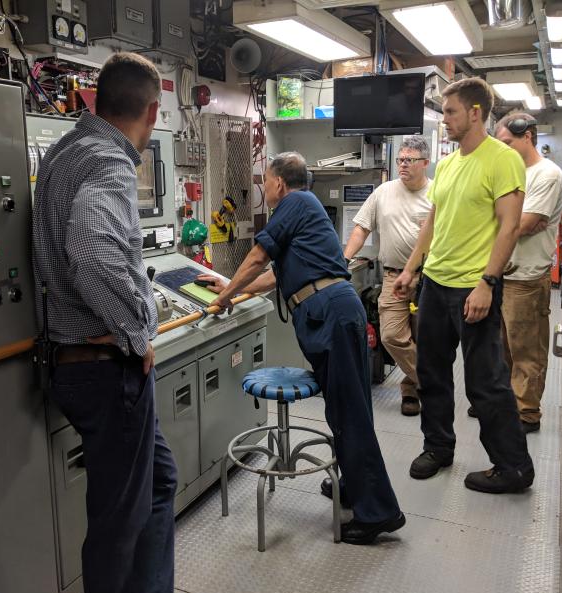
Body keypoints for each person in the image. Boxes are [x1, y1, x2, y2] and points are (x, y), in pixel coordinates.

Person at [201, 152, 405, 545]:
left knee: (350, 412)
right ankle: (355, 488)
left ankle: (378, 512)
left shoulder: (295, 202)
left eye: (266, 181)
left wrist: (226, 297)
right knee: (345, 407)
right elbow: (276, 275)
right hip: (332, 312)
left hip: (329, 313)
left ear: (279, 182)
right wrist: (229, 287)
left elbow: (259, 257)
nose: (265, 188)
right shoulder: (304, 210)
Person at [32, 52, 177, 593]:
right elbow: (92, 250)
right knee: (118, 527)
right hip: (104, 368)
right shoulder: (111, 161)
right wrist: (139, 332)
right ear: (153, 109)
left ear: (98, 100)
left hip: (74, 362)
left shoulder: (66, 151)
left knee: (159, 483)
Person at [393, 77, 535, 494]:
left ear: (476, 112)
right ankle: (438, 446)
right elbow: (434, 222)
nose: (445, 120)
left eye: (451, 112)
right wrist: (411, 268)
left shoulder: (501, 160)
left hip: (474, 287)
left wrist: (487, 283)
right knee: (431, 373)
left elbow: (509, 227)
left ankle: (513, 467)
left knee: (485, 382)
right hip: (435, 285)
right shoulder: (450, 163)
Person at [344, 135, 432, 417]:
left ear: (425, 163)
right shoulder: (384, 192)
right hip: (394, 277)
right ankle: (431, 382)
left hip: (429, 277)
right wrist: (343, 259)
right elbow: (361, 228)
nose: (403, 165)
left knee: (424, 338)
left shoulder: (437, 194)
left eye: (409, 160)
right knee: (393, 335)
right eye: (400, 160)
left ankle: (411, 392)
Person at [494, 113, 562, 434]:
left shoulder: (546, 175)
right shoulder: (508, 173)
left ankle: (527, 413)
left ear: (529, 137)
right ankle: (506, 402)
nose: (502, 149)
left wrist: (515, 223)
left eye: (507, 143)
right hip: (499, 273)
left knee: (526, 349)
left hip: (525, 277)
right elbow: (503, 220)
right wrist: (514, 223)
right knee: (501, 347)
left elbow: (522, 224)